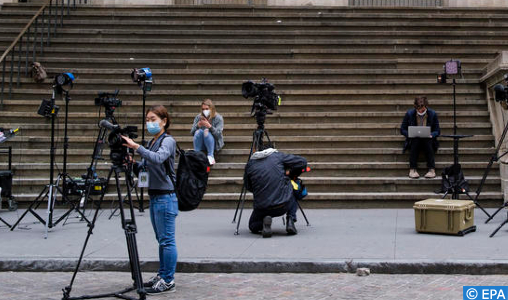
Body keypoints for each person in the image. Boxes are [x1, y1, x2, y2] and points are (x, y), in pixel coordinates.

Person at [121, 105, 178, 294]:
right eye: (147, 119)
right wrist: (134, 163)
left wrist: (137, 147)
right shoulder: (152, 141)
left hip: (166, 197)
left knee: (167, 240)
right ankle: (162, 275)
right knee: (161, 239)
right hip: (154, 196)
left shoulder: (168, 141)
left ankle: (168, 280)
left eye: (153, 119)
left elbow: (158, 158)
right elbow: (146, 167)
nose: (149, 123)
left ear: (164, 121)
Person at [244, 145, 307, 238]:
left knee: (253, 226)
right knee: (292, 184)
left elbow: (248, 186)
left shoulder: (250, 164)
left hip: (262, 207)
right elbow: (303, 162)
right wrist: (290, 173)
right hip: (283, 205)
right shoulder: (278, 156)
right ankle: (290, 219)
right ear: (272, 150)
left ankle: (265, 220)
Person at [400, 96, 440, 179]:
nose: (420, 111)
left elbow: (437, 130)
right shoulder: (410, 114)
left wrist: (432, 135)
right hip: (414, 139)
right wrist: (410, 134)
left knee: (427, 140)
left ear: (426, 106)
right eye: (418, 109)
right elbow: (402, 129)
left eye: (422, 109)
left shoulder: (432, 114)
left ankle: (431, 169)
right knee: (415, 140)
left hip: (428, 139)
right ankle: (413, 169)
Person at [190, 99, 224, 166]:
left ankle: (211, 156)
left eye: (207, 109)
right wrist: (198, 125)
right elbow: (192, 133)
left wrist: (210, 126)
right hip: (201, 143)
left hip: (214, 144)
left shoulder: (218, 118)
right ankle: (197, 154)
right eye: (203, 109)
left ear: (211, 109)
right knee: (198, 132)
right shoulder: (198, 117)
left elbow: (218, 135)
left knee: (206, 131)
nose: (205, 111)